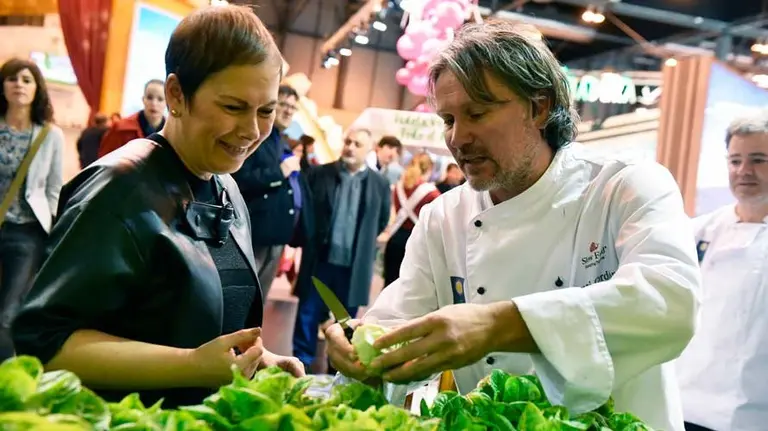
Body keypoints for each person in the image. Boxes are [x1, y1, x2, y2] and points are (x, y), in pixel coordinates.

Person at [325, 20, 699, 431]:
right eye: (448, 119)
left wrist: (497, 325)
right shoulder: (443, 217)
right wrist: (366, 350)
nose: (458, 138)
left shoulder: (623, 186)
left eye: (477, 113)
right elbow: (400, 322)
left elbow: (670, 302)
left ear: (539, 107)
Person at [12, 5, 303, 408]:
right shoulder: (119, 187)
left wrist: (257, 361)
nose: (251, 130)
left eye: (266, 111)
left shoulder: (228, 189)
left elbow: (202, 326)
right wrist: (190, 365)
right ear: (176, 95)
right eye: (233, 107)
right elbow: (46, 342)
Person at [675, 111, 768, 431]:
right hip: (684, 403)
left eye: (758, 160)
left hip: (752, 416)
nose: (744, 171)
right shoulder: (699, 231)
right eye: (735, 161)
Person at [293, 128, 390, 372]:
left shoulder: (379, 184)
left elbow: (381, 220)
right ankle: (300, 365)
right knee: (307, 314)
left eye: (357, 144)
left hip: (354, 267)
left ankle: (337, 368)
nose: (350, 147)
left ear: (368, 150)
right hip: (320, 261)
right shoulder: (321, 174)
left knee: (346, 323)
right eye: (347, 141)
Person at [0, 58, 65, 360]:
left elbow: (53, 187)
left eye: (27, 80)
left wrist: (48, 229)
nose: (19, 85)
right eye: (12, 79)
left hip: (26, 233)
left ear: (37, 88)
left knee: (9, 311)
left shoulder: (50, 135)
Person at [232, 85, 312, 301]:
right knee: (242, 296)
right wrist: (280, 172)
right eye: (283, 105)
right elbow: (240, 177)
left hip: (275, 235)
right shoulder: (254, 137)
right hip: (254, 233)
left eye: (292, 108)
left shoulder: (279, 140)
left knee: (257, 301)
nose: (288, 111)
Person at [381, 153, 440, 287]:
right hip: (416, 243)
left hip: (395, 239)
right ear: (430, 169)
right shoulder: (432, 193)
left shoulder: (399, 186)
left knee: (389, 285)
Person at [97, 79, 166, 158]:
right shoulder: (120, 128)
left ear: (167, 103)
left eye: (160, 99)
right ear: (143, 99)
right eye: (149, 97)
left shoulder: (172, 135)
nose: (154, 103)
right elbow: (104, 160)